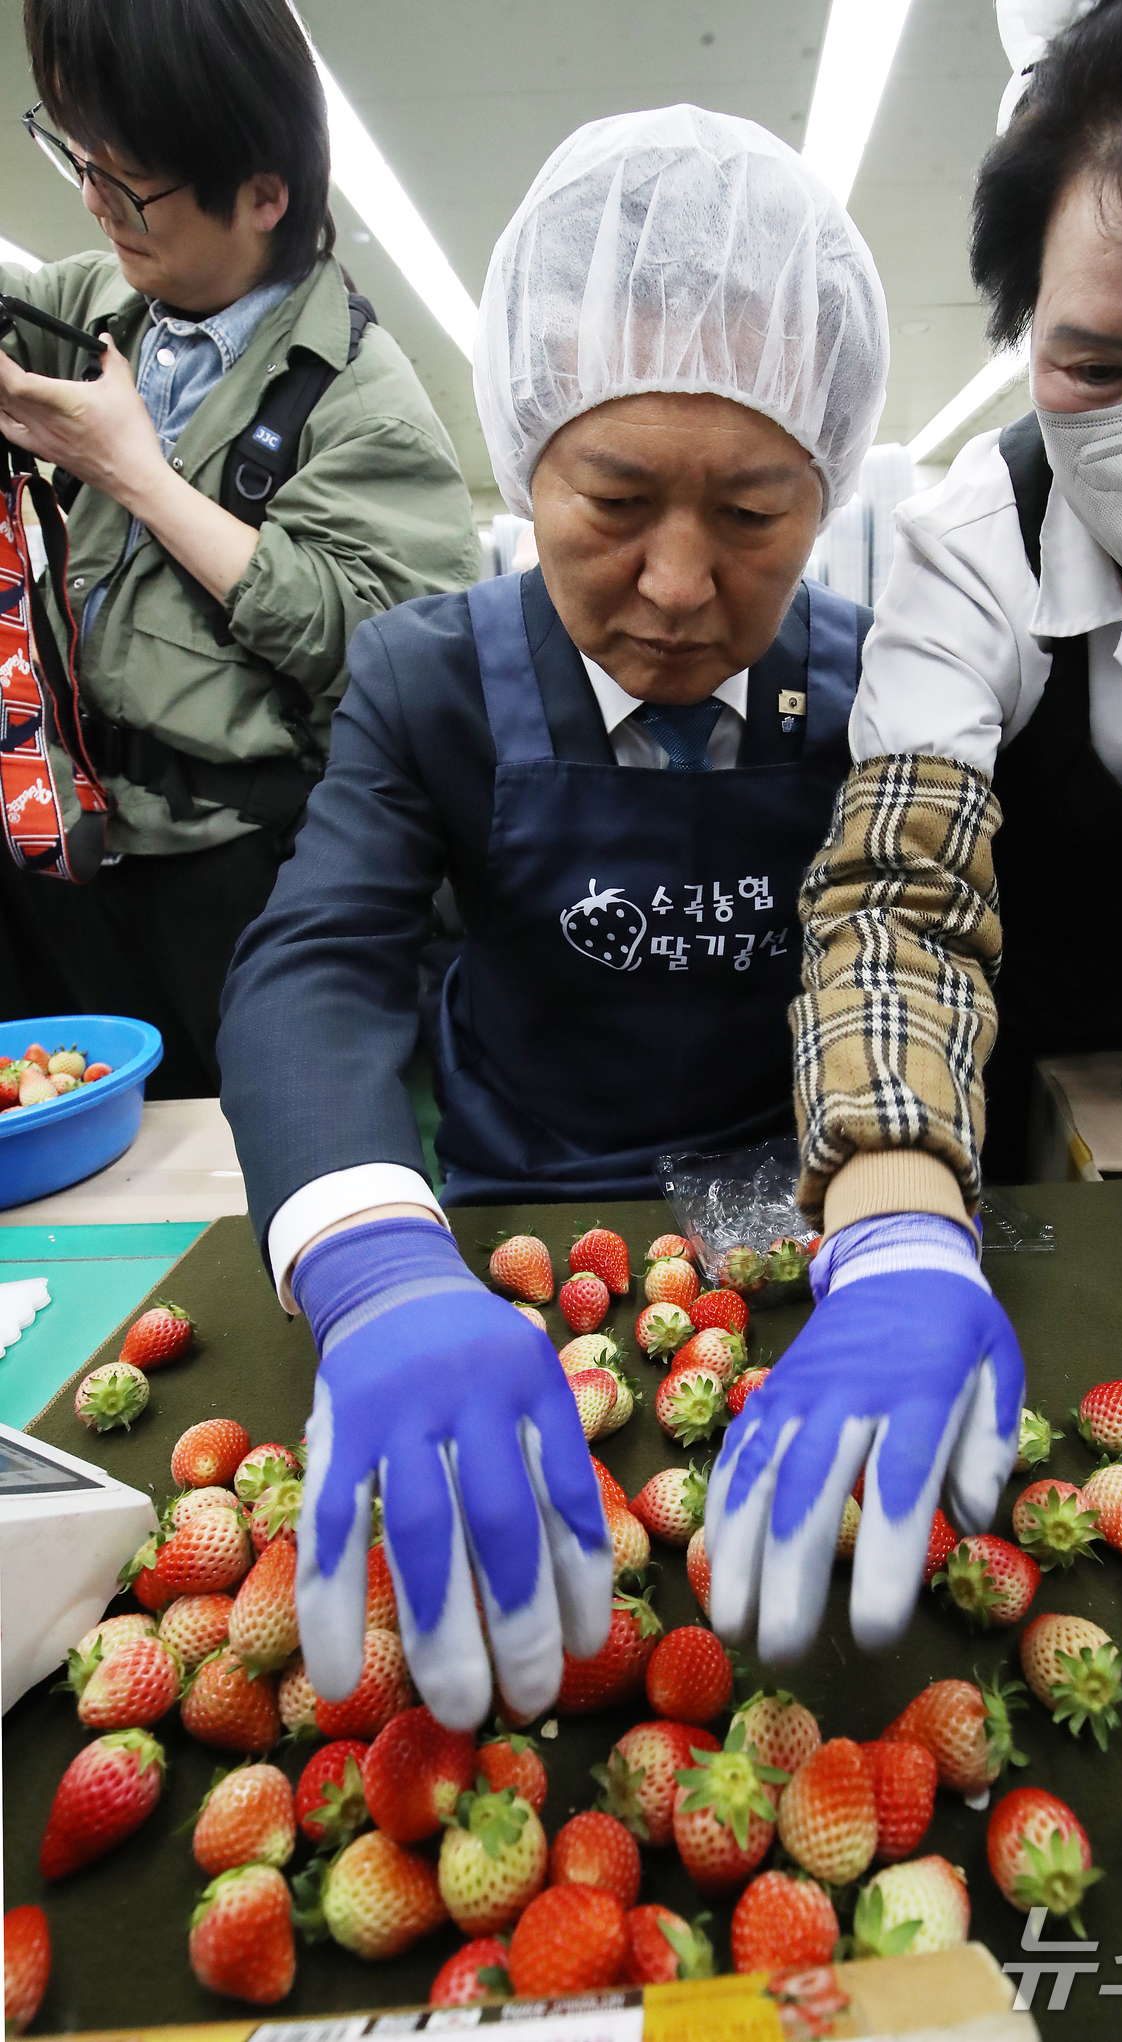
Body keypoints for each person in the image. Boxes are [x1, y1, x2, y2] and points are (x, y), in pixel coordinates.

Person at [705, 0, 1122, 1666]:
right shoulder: (974, 539)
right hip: (1009, 1003)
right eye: (1093, 365)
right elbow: (901, 890)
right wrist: (892, 1210)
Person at [216, 106, 890, 1725]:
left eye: (754, 515)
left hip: (774, 1224)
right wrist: (373, 1257)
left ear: (828, 486)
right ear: (526, 457)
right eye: (614, 500)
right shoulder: (428, 676)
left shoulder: (873, 687)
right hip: (502, 1222)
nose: (678, 585)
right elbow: (322, 957)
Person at [0, 0, 476, 1096]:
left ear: (264, 194)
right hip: (69, 838)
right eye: (80, 159)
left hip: (231, 881)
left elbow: (385, 656)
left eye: (129, 186)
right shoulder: (102, 302)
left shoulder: (364, 404)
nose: (93, 201)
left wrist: (137, 476)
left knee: (237, 1155)